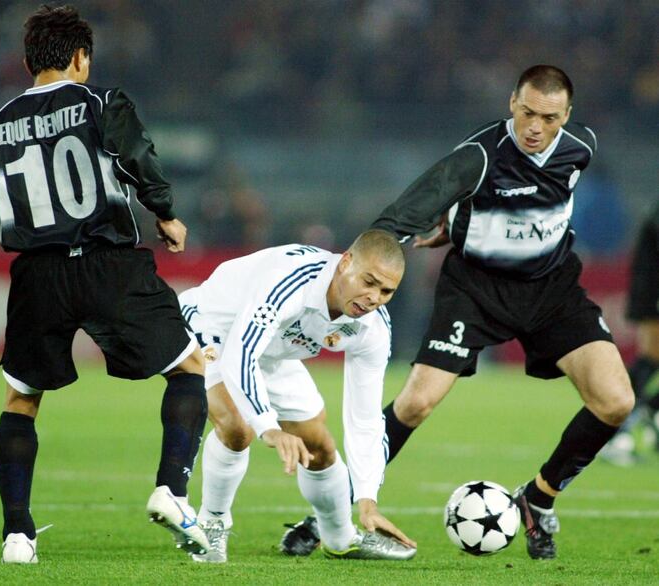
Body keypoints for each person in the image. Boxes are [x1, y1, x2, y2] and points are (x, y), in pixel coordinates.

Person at [281, 65, 634, 560]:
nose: (536, 127)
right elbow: (403, 214)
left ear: (567, 116)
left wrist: (460, 223)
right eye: (527, 112)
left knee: (616, 402)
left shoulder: (582, 146)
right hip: (475, 289)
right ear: (512, 102)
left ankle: (537, 499)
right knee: (415, 403)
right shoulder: (478, 157)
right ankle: (331, 513)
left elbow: (539, 199)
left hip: (551, 288)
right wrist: (345, 279)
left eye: (549, 117)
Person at [0, 4, 209, 563]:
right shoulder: (99, 101)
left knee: (21, 400)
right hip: (108, 262)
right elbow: (133, 151)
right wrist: (164, 211)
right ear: (80, 57)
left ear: (26, 62)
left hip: (37, 277)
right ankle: (172, 490)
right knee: (189, 370)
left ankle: (17, 536)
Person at [180, 230, 417, 563]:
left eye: (386, 290)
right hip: (213, 327)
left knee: (317, 444)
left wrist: (367, 498)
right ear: (345, 262)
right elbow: (241, 351)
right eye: (369, 281)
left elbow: (365, 418)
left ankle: (340, 538)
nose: (374, 297)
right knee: (238, 426)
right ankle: (212, 523)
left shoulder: (373, 327)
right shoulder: (292, 280)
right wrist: (268, 425)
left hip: (272, 350)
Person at [600, 201, 659, 465]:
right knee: (652, 356)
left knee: (652, 357)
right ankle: (611, 431)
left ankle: (650, 412)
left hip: (649, 275)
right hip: (653, 280)